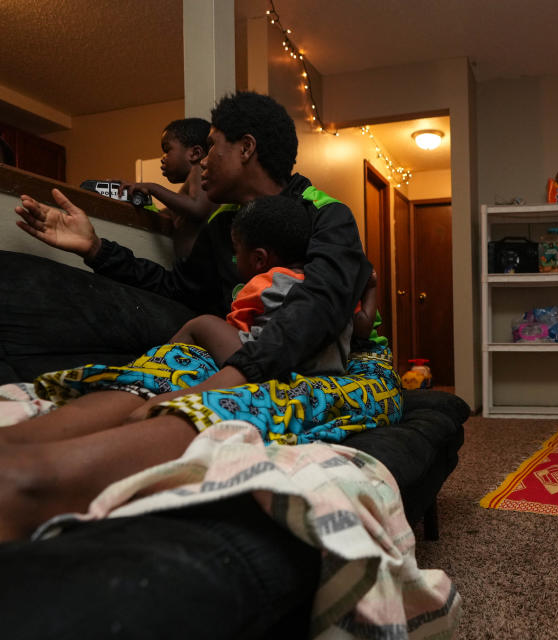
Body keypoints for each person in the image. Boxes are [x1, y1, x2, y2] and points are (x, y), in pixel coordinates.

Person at [2, 92, 391, 541]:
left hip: (346, 361)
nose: (201, 161)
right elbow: (178, 289)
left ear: (245, 148)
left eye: (212, 146)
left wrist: (232, 376)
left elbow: (319, 307)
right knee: (174, 361)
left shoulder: (326, 214)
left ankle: (35, 486)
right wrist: (96, 248)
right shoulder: (225, 223)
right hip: (248, 345)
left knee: (270, 397)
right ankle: (16, 446)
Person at [119, 118, 217, 258]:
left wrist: (152, 187)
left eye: (167, 150)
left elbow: (197, 208)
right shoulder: (186, 193)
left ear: (195, 153)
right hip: (189, 270)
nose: (163, 158)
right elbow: (169, 214)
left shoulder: (198, 170)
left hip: (204, 271)